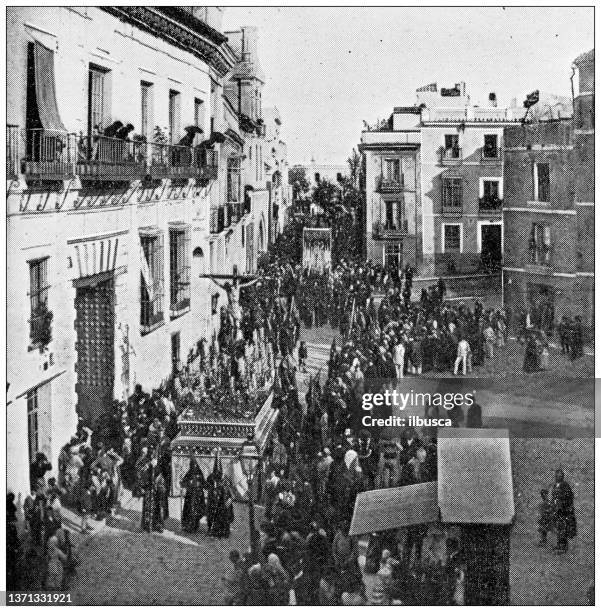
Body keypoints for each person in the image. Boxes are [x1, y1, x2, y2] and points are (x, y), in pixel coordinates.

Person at [551, 469, 577, 553]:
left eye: (560, 476)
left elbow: (569, 497)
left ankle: (563, 547)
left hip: (564, 511)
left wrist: (562, 504)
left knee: (563, 528)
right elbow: (554, 497)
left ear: (562, 477)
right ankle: (559, 544)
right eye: (557, 476)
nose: (558, 477)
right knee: (558, 528)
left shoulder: (565, 486)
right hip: (557, 510)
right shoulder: (555, 485)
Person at [180, 457, 206, 533]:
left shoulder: (199, 473)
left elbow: (203, 483)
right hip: (190, 495)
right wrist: (182, 484)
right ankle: (189, 526)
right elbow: (184, 482)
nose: (193, 467)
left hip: (198, 495)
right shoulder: (189, 473)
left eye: (194, 465)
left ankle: (195, 526)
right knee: (189, 511)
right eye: (192, 465)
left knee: (196, 511)